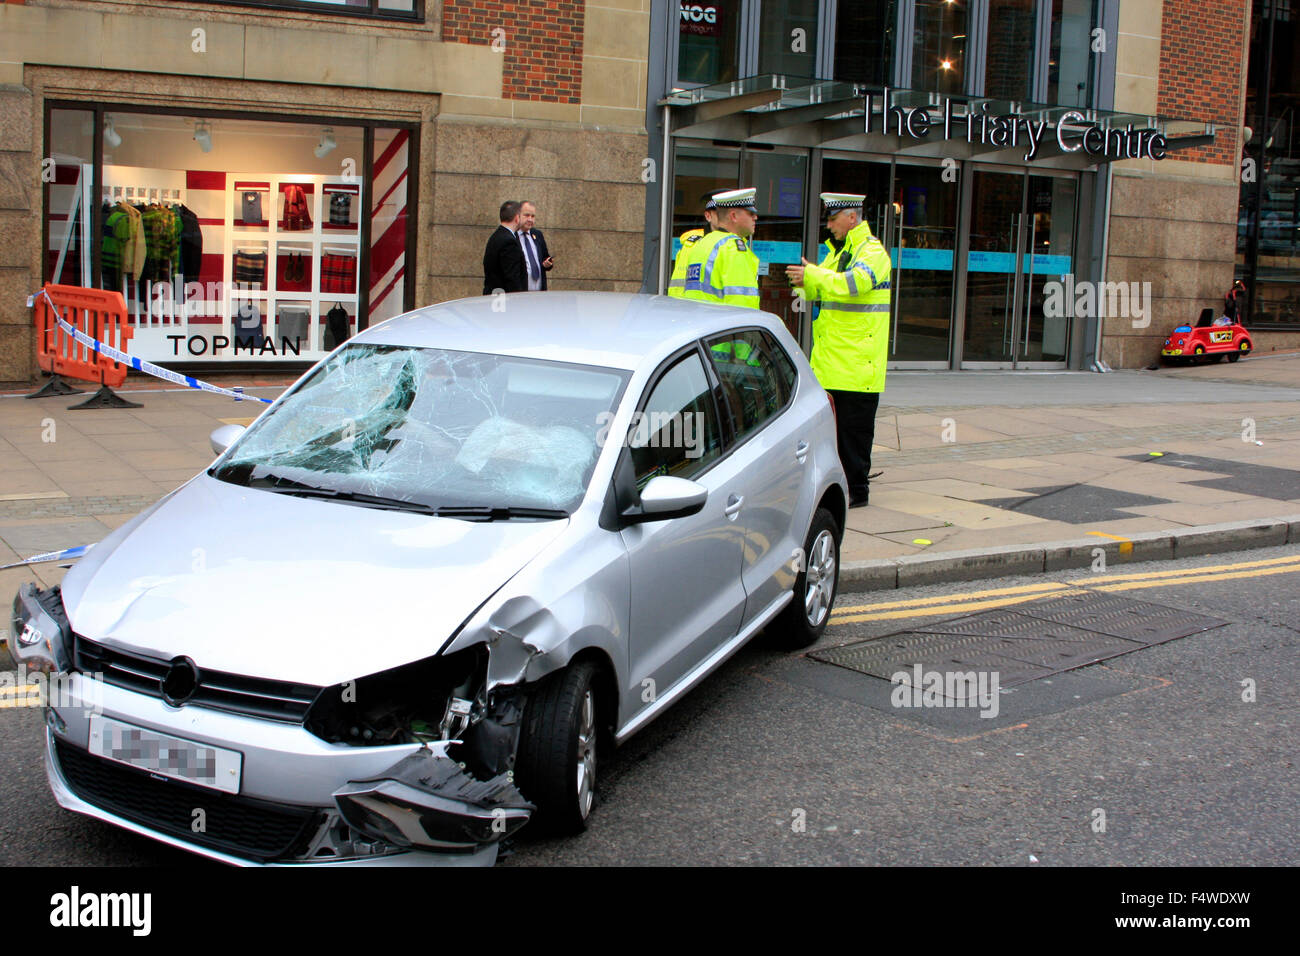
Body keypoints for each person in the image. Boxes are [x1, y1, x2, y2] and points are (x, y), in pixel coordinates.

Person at [785, 192, 891, 509]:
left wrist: (815, 274)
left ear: (852, 218)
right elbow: (824, 288)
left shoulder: (872, 251)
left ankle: (858, 491)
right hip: (832, 361)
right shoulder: (837, 253)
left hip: (859, 364)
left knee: (853, 434)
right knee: (831, 433)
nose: (829, 226)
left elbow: (854, 284)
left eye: (833, 219)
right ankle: (839, 484)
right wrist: (803, 281)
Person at [678, 186, 761, 309]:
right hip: (726, 326)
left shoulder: (702, 244)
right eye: (750, 213)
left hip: (700, 322)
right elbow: (742, 305)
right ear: (733, 216)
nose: (755, 217)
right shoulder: (734, 249)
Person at [667, 190, 723, 298]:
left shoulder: (739, 245)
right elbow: (678, 288)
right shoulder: (693, 245)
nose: (727, 217)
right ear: (708, 216)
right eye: (721, 213)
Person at [482, 201, 526, 295]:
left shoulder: (496, 236)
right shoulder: (509, 242)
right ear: (517, 218)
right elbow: (512, 278)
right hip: (504, 301)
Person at [518, 201, 553, 291]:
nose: (530, 219)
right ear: (517, 215)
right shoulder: (512, 237)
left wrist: (548, 263)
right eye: (526, 215)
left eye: (533, 216)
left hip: (539, 294)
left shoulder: (537, 234)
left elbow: (546, 257)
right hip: (520, 294)